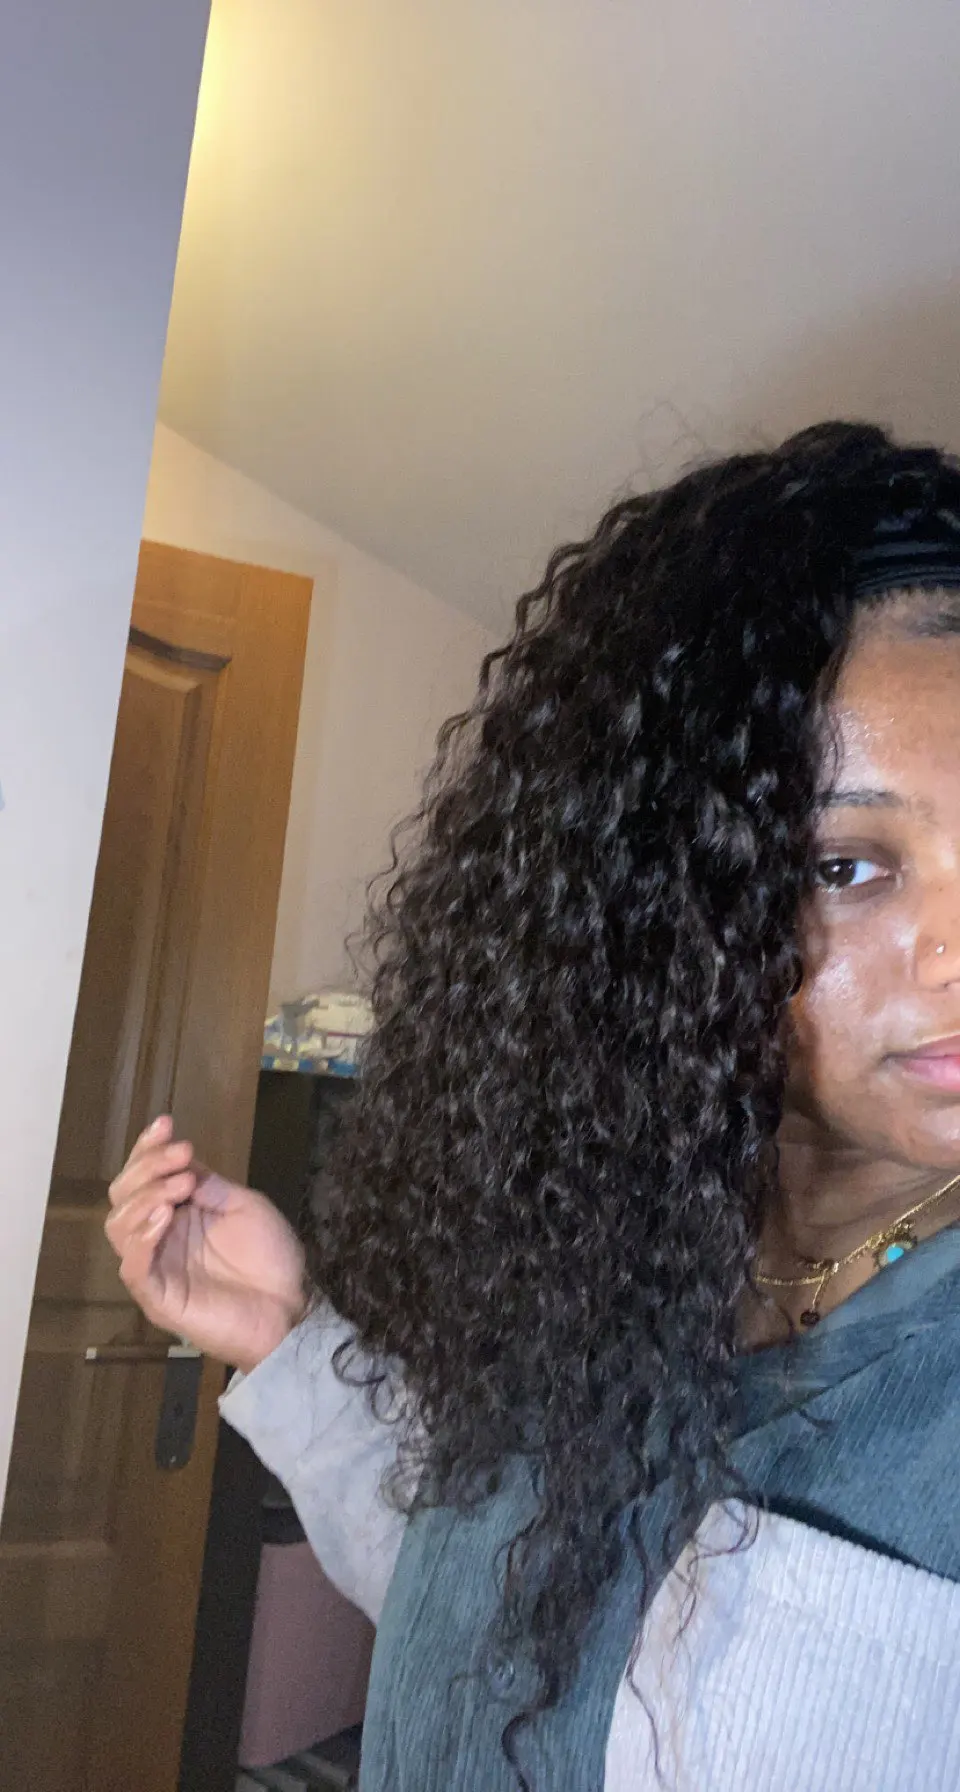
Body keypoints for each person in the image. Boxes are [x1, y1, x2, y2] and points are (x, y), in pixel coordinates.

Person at [108, 421, 960, 1791]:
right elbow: (502, 1628)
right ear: (663, 903)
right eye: (845, 866)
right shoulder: (622, 1235)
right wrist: (286, 1340)